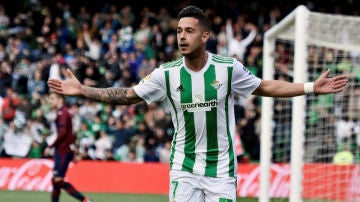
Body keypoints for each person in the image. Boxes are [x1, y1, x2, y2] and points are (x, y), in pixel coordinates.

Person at [48, 5, 348, 202]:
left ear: (204, 36)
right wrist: (84, 90)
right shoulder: (166, 74)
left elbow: (264, 86)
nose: (182, 36)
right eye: (179, 31)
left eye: (189, 30)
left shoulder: (228, 68)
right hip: (184, 167)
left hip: (221, 170)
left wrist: (310, 87)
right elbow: (128, 95)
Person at [44, 92, 91, 202]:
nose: (50, 101)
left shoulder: (62, 113)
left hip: (62, 151)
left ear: (60, 99)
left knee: (57, 180)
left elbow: (63, 132)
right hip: (64, 150)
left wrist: (50, 146)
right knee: (55, 180)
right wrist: (73, 151)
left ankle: (84, 200)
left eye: (52, 99)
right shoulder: (64, 113)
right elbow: (71, 135)